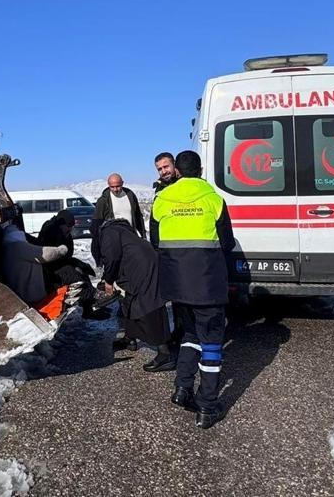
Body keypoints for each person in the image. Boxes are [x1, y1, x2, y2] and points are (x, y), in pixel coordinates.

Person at [153, 150, 235, 429]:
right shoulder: (214, 200)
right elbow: (227, 242)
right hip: (207, 284)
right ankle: (207, 406)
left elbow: (156, 241)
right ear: (200, 170)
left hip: (176, 286)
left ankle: (182, 388)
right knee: (211, 342)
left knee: (189, 335)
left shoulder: (161, 200)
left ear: (176, 171)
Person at [98, 218, 173, 372]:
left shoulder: (108, 232)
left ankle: (165, 355)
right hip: (146, 262)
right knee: (129, 301)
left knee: (148, 305)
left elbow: (112, 257)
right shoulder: (122, 229)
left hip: (142, 267)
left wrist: (108, 280)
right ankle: (129, 339)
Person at [37, 210, 110, 320]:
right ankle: (93, 296)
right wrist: (72, 263)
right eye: (69, 226)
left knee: (82, 271)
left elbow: (67, 255)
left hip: (60, 264)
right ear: (62, 225)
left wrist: (78, 263)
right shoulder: (50, 232)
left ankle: (89, 308)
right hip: (50, 269)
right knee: (75, 276)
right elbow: (51, 256)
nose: (71, 229)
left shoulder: (64, 233)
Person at [149, 152, 182, 347]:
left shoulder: (185, 184)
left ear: (174, 165)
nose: (163, 171)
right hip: (169, 250)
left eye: (166, 167)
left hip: (186, 246)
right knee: (176, 295)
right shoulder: (160, 190)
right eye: (160, 169)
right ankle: (179, 330)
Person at [1, 222, 69, 305]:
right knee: (68, 273)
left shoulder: (9, 249)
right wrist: (61, 250)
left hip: (20, 292)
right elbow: (45, 254)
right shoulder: (18, 247)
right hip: (30, 295)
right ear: (18, 235)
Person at [91, 173, 145, 265]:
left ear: (122, 183)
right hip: (113, 242)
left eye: (118, 186)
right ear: (108, 185)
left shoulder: (130, 196)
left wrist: (143, 235)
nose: (115, 189)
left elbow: (138, 217)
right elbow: (96, 224)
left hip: (131, 239)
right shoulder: (103, 201)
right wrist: (98, 250)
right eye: (112, 187)